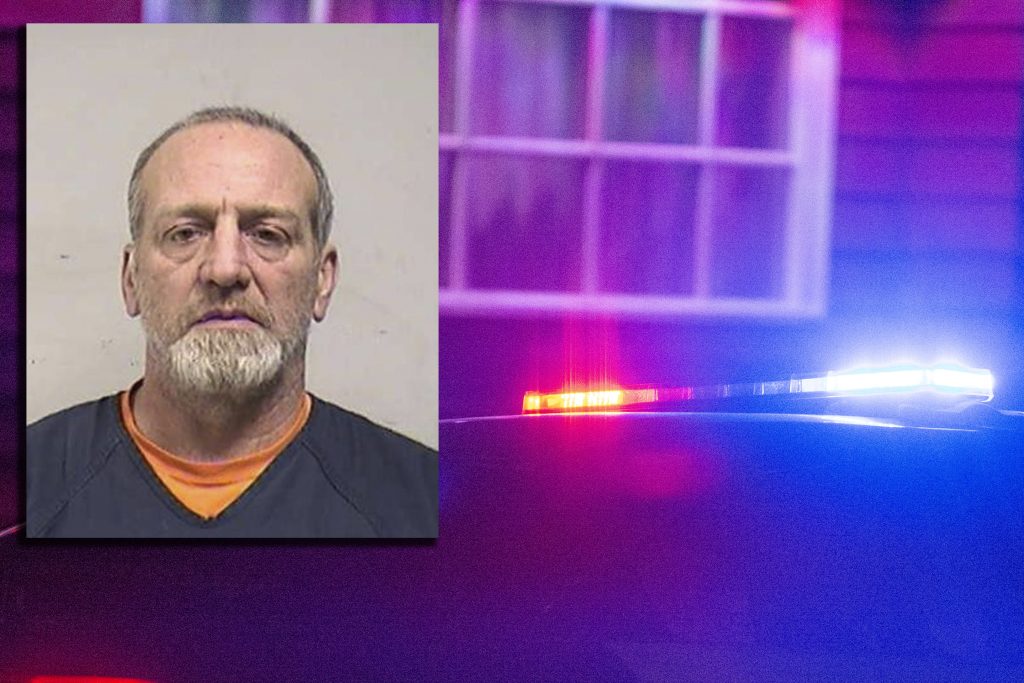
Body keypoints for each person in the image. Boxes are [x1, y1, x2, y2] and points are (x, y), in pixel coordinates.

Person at [26, 106, 438, 538]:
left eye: (268, 235)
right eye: (185, 233)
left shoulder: (424, 505)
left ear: (322, 279)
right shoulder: (31, 486)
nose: (225, 269)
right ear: (131, 279)